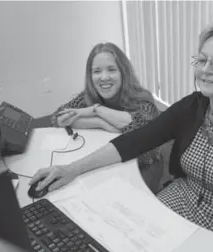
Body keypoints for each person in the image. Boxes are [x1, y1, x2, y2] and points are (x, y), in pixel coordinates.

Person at [30, 19, 213, 246]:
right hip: (179, 198)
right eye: (202, 60)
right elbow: (135, 140)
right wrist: (70, 169)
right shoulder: (192, 106)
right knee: (118, 240)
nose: (206, 69)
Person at [49, 42, 162, 193]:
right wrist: (100, 122)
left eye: (111, 69)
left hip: (144, 166)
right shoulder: (89, 96)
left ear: (123, 72)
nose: (104, 77)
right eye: (97, 71)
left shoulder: (143, 98)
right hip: (108, 162)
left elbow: (138, 129)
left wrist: (96, 110)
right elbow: (57, 116)